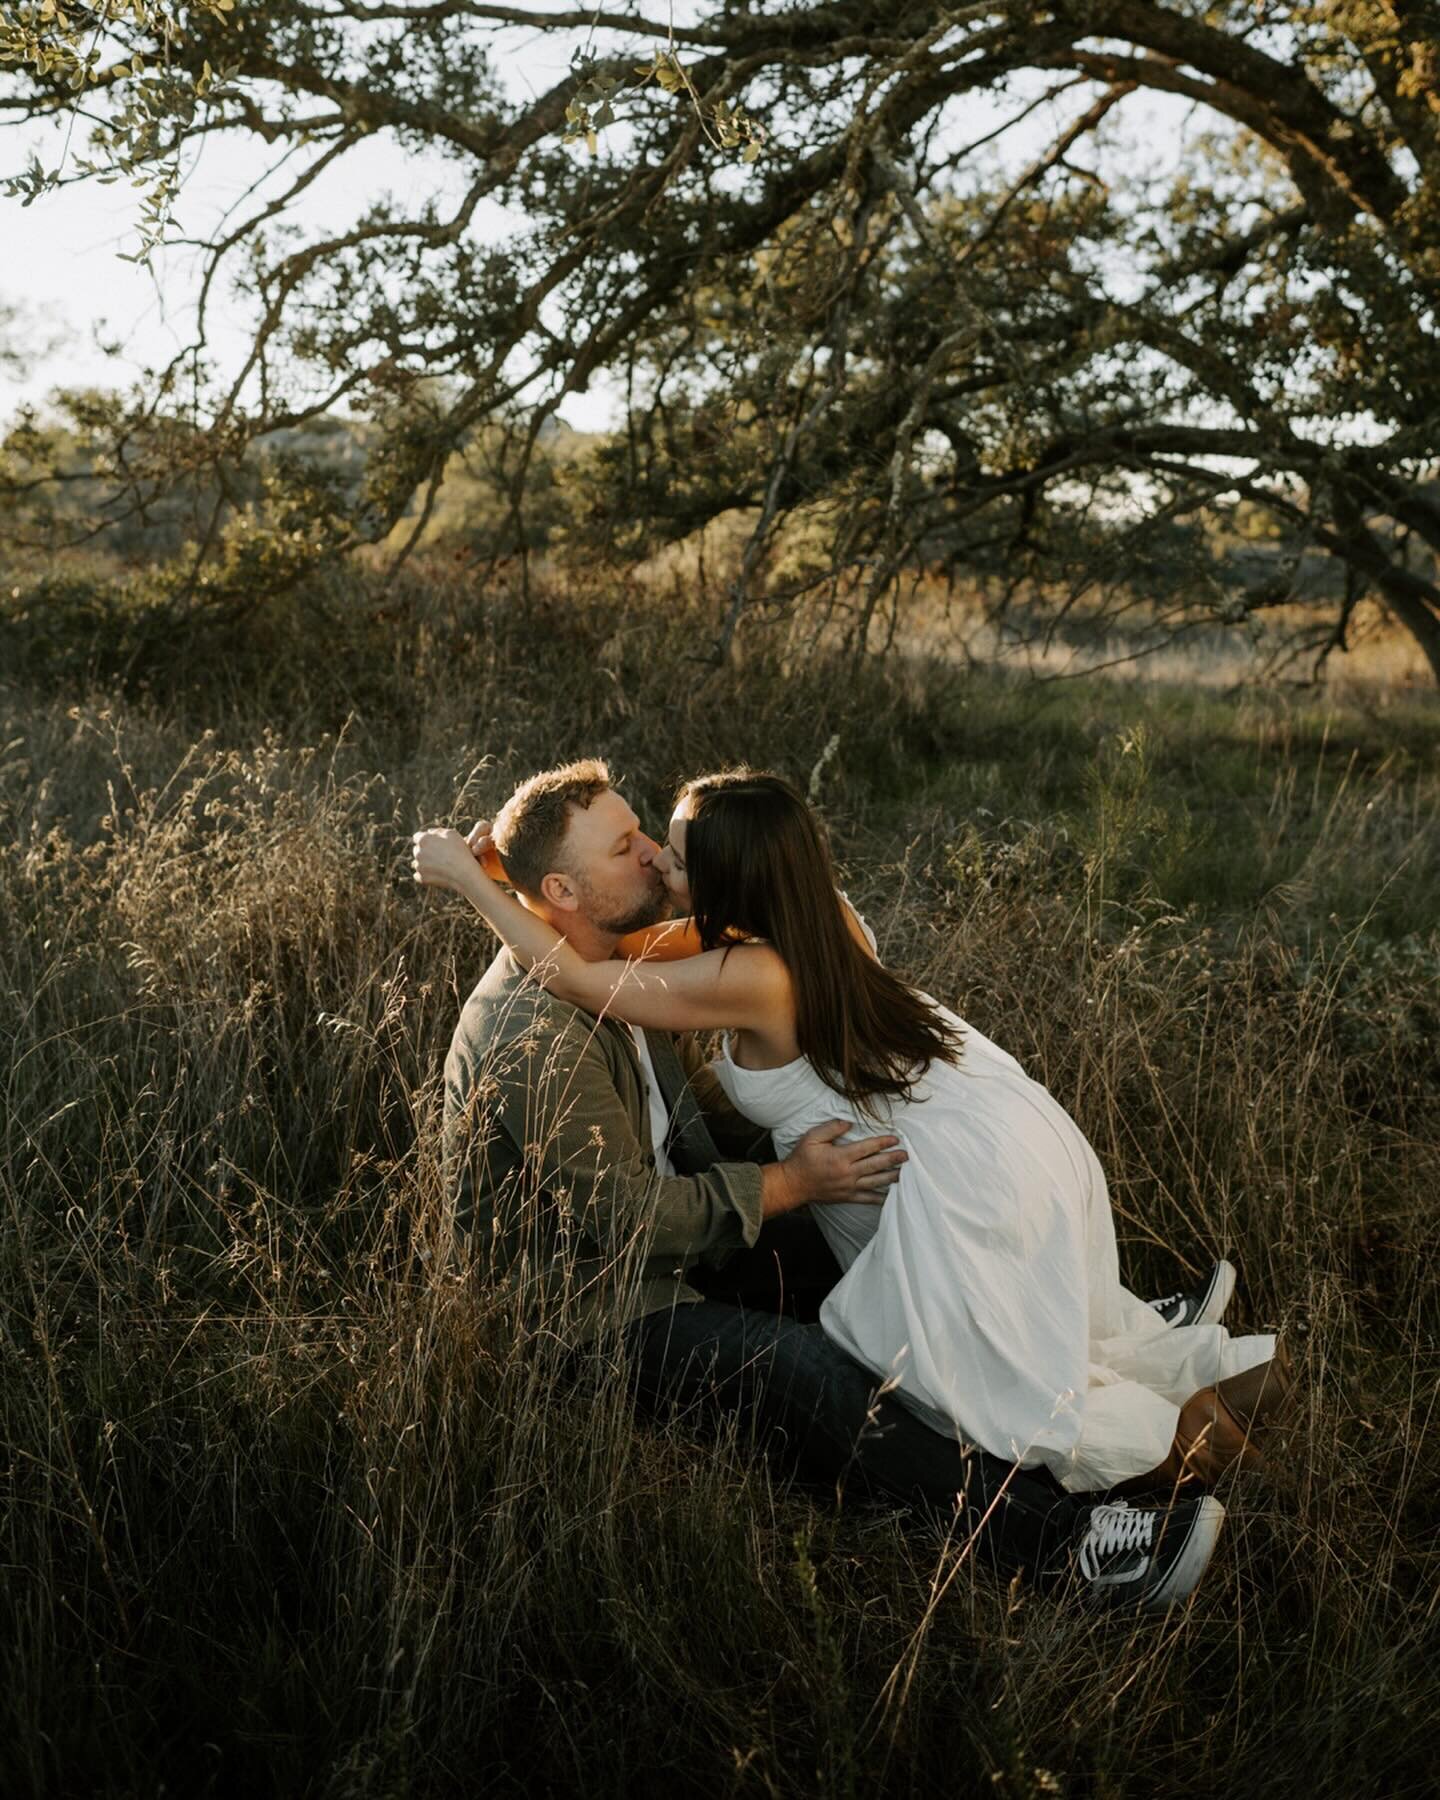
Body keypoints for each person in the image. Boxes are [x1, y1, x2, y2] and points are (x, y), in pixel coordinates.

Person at [420, 760, 1244, 1610]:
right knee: (809, 1369)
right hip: (592, 1309)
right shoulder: (535, 1034)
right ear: (560, 888)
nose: (648, 860)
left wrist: (810, 1167)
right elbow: (629, 1220)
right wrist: (786, 1181)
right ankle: (1064, 1549)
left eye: (646, 839)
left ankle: (1082, 1336)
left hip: (680, 1246)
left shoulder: (616, 958)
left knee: (901, 1241)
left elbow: (687, 1126)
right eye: (625, 846)